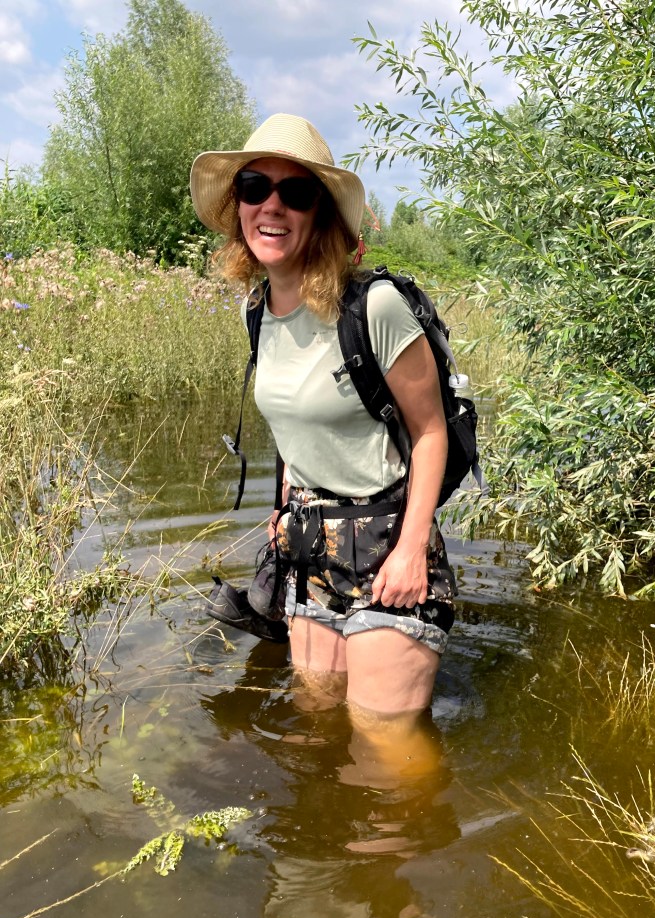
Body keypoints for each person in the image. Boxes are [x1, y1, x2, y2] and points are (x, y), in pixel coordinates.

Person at [190, 113, 456, 728]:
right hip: (309, 550)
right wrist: (286, 506)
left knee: (384, 748)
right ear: (237, 207)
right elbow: (296, 425)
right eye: (254, 187)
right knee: (314, 723)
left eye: (296, 192)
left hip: (388, 545)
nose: (272, 206)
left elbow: (430, 432)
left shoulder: (375, 307)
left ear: (322, 214)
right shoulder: (257, 311)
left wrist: (412, 550)